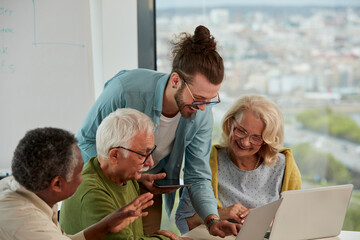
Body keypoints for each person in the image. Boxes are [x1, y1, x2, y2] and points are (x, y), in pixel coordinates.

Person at [76, 25, 239, 236]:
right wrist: (128, 173)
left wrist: (212, 221)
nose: (202, 107)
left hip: (148, 189)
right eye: (198, 98)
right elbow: (86, 142)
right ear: (175, 80)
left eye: (210, 100)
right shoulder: (125, 89)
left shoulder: (202, 112)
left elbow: (198, 175)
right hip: (107, 182)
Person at [175, 95, 302, 234]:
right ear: (230, 123)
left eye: (256, 137)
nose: (245, 142)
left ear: (266, 140)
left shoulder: (283, 166)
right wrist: (220, 214)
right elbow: (183, 221)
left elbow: (295, 219)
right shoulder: (206, 162)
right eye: (241, 131)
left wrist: (268, 220)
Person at [0, 127, 154, 240]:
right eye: (79, 172)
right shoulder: (26, 222)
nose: (83, 177)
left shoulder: (34, 191)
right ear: (57, 184)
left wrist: (106, 226)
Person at [60, 108, 191, 240]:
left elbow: (133, 235)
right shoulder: (92, 193)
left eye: (150, 152)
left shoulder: (124, 176)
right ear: (115, 155)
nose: (150, 163)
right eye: (143, 155)